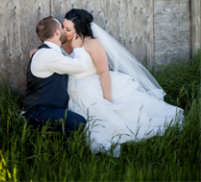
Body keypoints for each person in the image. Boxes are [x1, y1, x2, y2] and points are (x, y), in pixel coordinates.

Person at [61, 9, 184, 157]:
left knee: (113, 121)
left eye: (68, 29)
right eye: (62, 27)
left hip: (92, 87)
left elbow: (103, 72)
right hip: (73, 89)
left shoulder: (92, 44)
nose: (63, 31)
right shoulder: (64, 42)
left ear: (79, 31)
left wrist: (107, 100)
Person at [22, 16, 89, 137]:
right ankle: (45, 140)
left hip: (49, 110)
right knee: (78, 122)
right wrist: (77, 48)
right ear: (57, 32)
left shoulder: (49, 53)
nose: (64, 30)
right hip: (38, 112)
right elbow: (81, 66)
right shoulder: (46, 54)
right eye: (61, 27)